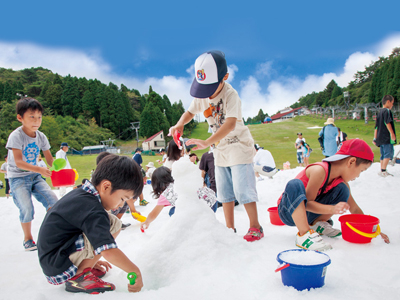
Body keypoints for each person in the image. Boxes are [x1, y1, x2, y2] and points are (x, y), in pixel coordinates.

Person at [170, 50, 263, 242]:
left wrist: (207, 142)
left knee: (242, 188)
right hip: (220, 147)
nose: (206, 92)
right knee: (224, 190)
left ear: (225, 77)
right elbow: (189, 112)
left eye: (210, 86)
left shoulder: (231, 95)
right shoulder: (203, 94)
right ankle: (230, 228)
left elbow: (230, 124)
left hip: (237, 144)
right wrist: (180, 123)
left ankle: (255, 226)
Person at [37, 155, 144, 294]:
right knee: (109, 225)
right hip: (58, 264)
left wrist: (90, 260)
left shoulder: (84, 194)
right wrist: (134, 270)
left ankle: (83, 267)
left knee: (113, 222)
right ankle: (80, 276)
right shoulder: (93, 209)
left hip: (54, 258)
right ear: (106, 186)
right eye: (122, 198)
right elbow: (108, 251)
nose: (121, 205)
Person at [277, 139, 390, 251]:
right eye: (361, 170)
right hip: (289, 211)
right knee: (294, 184)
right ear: (351, 162)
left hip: (309, 215)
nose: (358, 176)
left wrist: (371, 231)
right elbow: (308, 204)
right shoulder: (319, 171)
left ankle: (316, 224)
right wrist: (332, 209)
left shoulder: (341, 182)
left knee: (343, 190)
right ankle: (304, 234)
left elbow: (354, 208)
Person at [5, 97, 58, 251]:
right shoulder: (16, 136)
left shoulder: (41, 136)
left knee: (53, 200)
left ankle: (54, 234)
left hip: (34, 176)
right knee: (27, 208)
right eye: (32, 117)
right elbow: (19, 162)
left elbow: (49, 158)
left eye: (39, 117)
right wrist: (40, 170)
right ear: (20, 118)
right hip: (17, 177)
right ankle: (28, 239)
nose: (37, 121)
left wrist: (57, 168)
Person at [140, 167, 217, 231]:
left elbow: (154, 214)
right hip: (213, 202)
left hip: (202, 208)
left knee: (172, 212)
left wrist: (146, 222)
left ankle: (192, 227)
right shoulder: (180, 182)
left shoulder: (165, 195)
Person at [373, 95, 397, 177]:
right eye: (392, 103)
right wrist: (392, 134)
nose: (392, 105)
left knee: (382, 154)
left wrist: (375, 138)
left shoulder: (379, 112)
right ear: (388, 102)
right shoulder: (387, 111)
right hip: (386, 137)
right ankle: (384, 171)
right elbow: (388, 123)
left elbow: (376, 127)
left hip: (380, 137)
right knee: (388, 153)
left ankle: (382, 170)